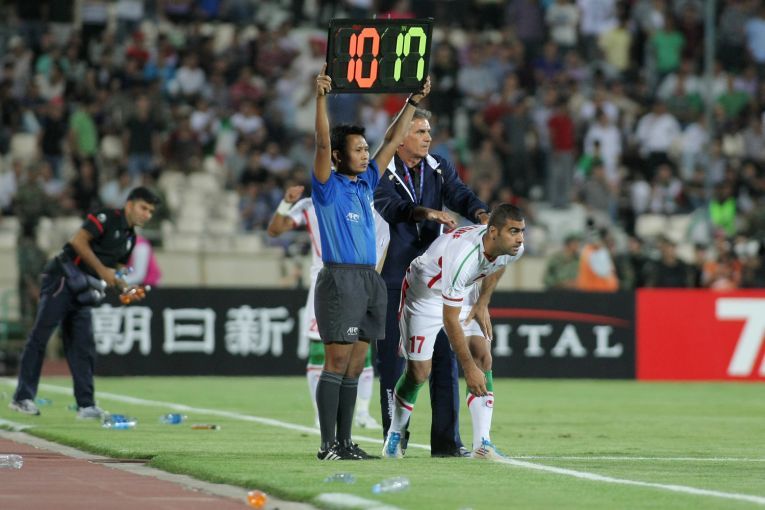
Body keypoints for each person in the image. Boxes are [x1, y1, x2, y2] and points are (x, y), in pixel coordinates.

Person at [311, 65, 429, 460]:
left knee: (357, 364)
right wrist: (321, 99)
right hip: (340, 279)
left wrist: (412, 102)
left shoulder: (366, 183)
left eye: (365, 149)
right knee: (337, 361)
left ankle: (345, 442)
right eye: (358, 150)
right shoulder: (326, 186)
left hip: (369, 281)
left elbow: (393, 138)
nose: (365, 155)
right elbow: (321, 143)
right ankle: (328, 445)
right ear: (338, 156)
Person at [374, 107, 490, 457]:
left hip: (433, 279)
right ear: (400, 139)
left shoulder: (438, 166)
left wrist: (481, 213)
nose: (428, 138)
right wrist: (427, 212)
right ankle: (394, 438)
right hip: (393, 278)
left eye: (428, 131)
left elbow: (460, 194)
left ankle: (447, 443)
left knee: (445, 360)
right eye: (420, 132)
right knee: (396, 364)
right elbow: (391, 208)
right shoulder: (380, 170)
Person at [382, 204, 525, 459]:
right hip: (424, 294)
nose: (520, 238)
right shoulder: (463, 257)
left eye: (522, 231)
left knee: (482, 355)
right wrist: (468, 369)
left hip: (462, 291)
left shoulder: (511, 248)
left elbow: (499, 263)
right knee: (418, 372)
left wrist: (482, 302)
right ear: (493, 232)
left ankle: (483, 444)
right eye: (513, 231)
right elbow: (450, 320)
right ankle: (395, 434)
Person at [8, 187, 160, 418]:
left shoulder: (130, 238)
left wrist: (125, 287)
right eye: (144, 208)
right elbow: (78, 242)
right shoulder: (107, 217)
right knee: (40, 336)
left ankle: (86, 405)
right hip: (63, 278)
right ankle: (22, 398)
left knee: (83, 345)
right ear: (129, 204)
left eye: (150, 211)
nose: (147, 214)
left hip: (84, 289)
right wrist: (103, 271)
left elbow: (118, 270)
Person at [266, 184, 380, 430]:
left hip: (358, 281)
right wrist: (286, 203)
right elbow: (274, 230)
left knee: (362, 350)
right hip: (324, 283)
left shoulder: (362, 199)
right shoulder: (309, 205)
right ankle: (321, 414)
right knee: (319, 351)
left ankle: (362, 412)